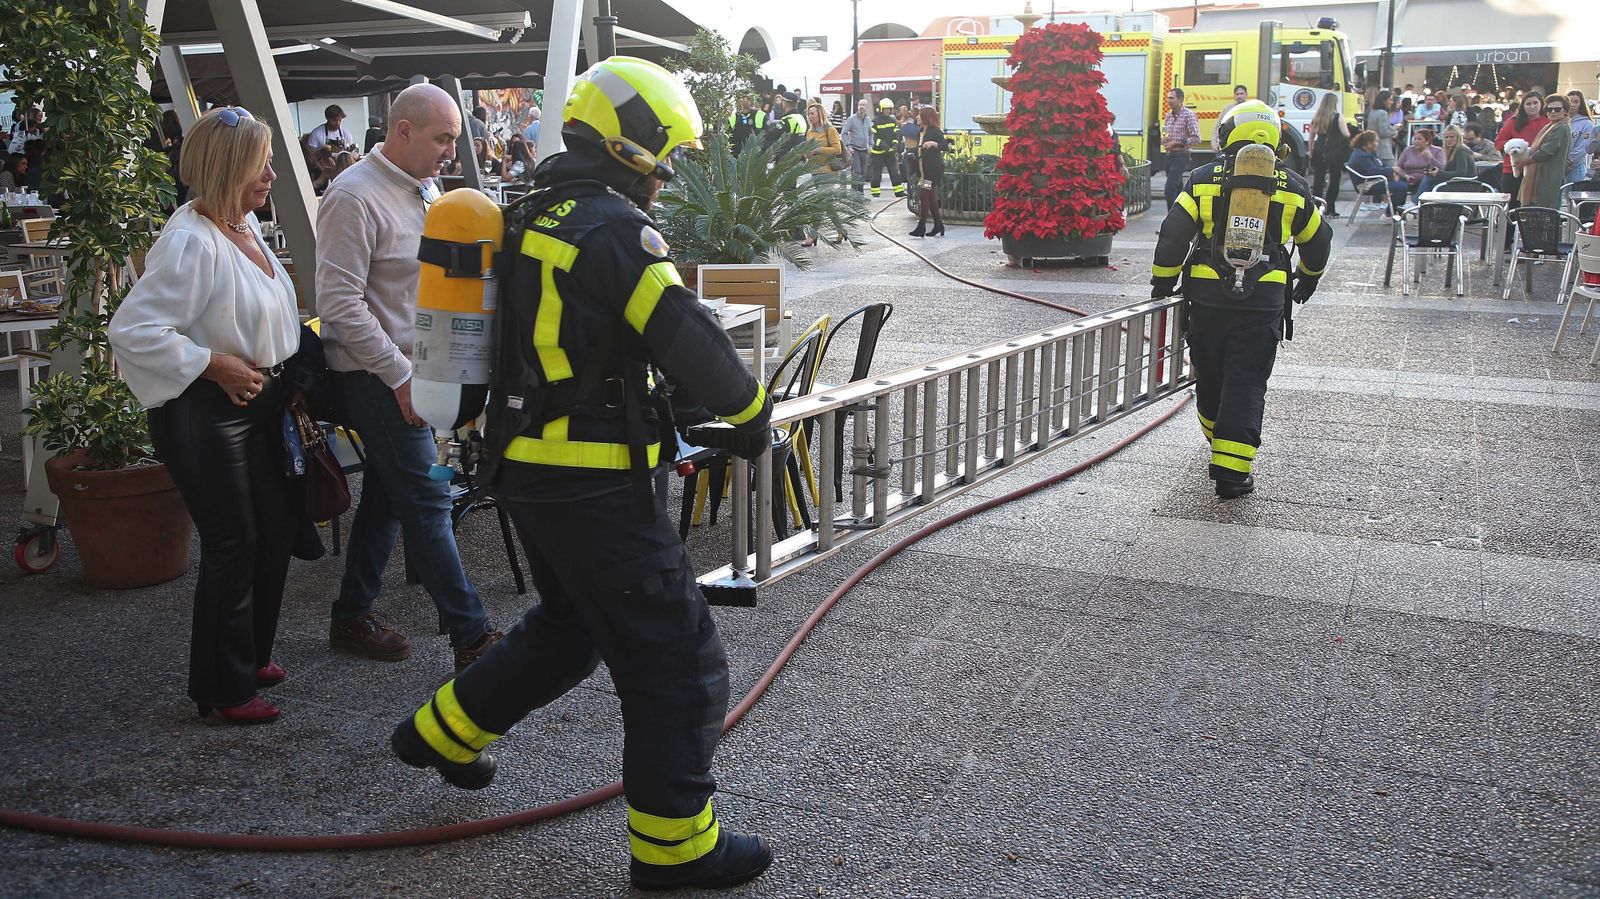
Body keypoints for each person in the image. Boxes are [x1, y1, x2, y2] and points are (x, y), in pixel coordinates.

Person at [388, 56, 774, 891]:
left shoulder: (526, 214)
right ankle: (676, 849)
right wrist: (750, 415)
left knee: (570, 629)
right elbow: (684, 333)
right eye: (664, 153)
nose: (668, 172)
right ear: (633, 145)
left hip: (527, 470)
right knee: (678, 660)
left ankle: (440, 733)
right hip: (593, 481)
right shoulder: (613, 231)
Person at [107, 107, 300, 725]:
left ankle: (248, 654)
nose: (271, 172)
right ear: (227, 168)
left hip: (254, 404)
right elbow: (132, 330)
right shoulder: (191, 239)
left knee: (272, 532)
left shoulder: (241, 227)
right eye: (259, 162)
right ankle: (223, 686)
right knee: (234, 542)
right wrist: (212, 363)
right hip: (206, 413)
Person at [314, 83, 501, 672]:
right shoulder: (352, 196)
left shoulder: (422, 186)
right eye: (444, 138)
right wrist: (401, 378)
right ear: (403, 131)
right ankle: (472, 636)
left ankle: (351, 615)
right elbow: (339, 306)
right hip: (375, 374)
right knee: (426, 498)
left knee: (390, 497)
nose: (452, 150)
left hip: (416, 369)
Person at [1150, 100, 1331, 498]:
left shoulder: (1201, 179)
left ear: (1230, 133)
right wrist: (1309, 276)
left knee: (1210, 374)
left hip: (1207, 298)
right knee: (1246, 381)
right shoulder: (1295, 186)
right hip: (1262, 301)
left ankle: (1221, 446)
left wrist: (1162, 281)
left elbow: (1173, 233)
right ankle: (1232, 471)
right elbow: (1318, 239)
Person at [1514, 93, 1571, 209]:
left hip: (1547, 178)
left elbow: (1546, 152)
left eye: (1557, 109)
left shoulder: (1562, 127)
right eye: (1550, 109)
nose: (1553, 112)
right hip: (1538, 176)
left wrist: (1525, 161)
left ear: (1565, 111)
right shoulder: (1550, 126)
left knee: (1543, 214)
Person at [1495, 92, 1548, 208]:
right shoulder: (1513, 121)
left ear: (1541, 104)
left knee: (1533, 206)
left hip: (1537, 170)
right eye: (1528, 104)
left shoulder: (1548, 122)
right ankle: (1508, 227)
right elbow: (1498, 142)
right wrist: (1513, 146)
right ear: (1523, 106)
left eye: (1535, 103)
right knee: (1510, 206)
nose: (1532, 106)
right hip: (1512, 170)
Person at [1308, 93, 1351, 218]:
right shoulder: (1338, 117)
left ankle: (1316, 206)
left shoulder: (1317, 117)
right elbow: (1346, 134)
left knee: (1318, 180)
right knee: (1334, 179)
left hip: (1318, 149)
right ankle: (1330, 208)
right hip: (1333, 151)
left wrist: (1311, 150)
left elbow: (1311, 136)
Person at [910, 105, 949, 238]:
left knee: (924, 196)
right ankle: (938, 225)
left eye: (920, 115)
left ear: (926, 117)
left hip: (934, 169)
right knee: (931, 198)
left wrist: (933, 143)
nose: (917, 117)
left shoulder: (935, 132)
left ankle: (921, 226)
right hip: (924, 170)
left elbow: (945, 146)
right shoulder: (921, 132)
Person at [1161, 87, 1201, 209]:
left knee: (1169, 190)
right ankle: (1181, 219)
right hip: (1169, 156)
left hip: (1181, 156)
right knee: (1178, 191)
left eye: (1172, 98)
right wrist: (1165, 140)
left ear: (1180, 99)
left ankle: (1171, 222)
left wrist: (1177, 143)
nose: (1169, 101)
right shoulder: (1168, 116)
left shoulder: (1188, 115)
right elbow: (1166, 133)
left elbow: (1196, 138)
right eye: (1168, 98)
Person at [1348, 129, 1408, 209]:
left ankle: (1395, 211)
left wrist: (1391, 171)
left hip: (1375, 180)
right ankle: (1392, 213)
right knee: (1402, 187)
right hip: (1366, 185)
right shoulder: (1361, 155)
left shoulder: (1369, 153)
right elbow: (1373, 171)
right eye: (1376, 142)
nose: (1378, 144)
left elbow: (1380, 166)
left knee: (1403, 183)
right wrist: (1392, 169)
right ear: (1369, 143)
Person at [865, 97, 904, 199]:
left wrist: (895, 144)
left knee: (895, 172)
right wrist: (881, 143)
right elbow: (873, 136)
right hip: (877, 153)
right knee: (877, 174)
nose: (888, 110)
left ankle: (899, 191)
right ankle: (875, 193)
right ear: (881, 109)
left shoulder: (892, 120)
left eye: (890, 109)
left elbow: (896, 134)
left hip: (890, 152)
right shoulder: (875, 122)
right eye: (886, 108)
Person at [1421, 125, 1476, 193]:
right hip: (1456, 182)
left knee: (1429, 180)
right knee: (1429, 178)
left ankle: (1416, 202)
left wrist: (1439, 173)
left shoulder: (1460, 150)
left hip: (1465, 184)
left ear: (1458, 137)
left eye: (1452, 137)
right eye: (1446, 137)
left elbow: (1461, 172)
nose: (1449, 139)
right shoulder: (1452, 150)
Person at [841, 98, 872, 194]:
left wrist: (871, 145)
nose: (861, 107)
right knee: (856, 171)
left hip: (864, 149)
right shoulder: (851, 119)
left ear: (866, 107)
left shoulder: (868, 119)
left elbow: (871, 133)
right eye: (860, 105)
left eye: (863, 105)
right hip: (854, 149)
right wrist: (848, 146)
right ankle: (854, 192)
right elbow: (844, 133)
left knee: (863, 172)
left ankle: (860, 192)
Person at [1566, 90, 1594, 184]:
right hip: (1557, 166)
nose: (1572, 105)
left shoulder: (1587, 124)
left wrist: (1569, 161)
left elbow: (1583, 147)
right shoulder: (1560, 122)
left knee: (1572, 196)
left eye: (1576, 102)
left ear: (1581, 104)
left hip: (1575, 168)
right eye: (1569, 101)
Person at [1366, 91, 1398, 165]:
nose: (1392, 102)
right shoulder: (1383, 113)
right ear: (1384, 100)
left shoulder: (1372, 112)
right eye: (1390, 99)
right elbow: (1384, 132)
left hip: (1373, 148)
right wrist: (1395, 129)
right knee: (1391, 171)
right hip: (1384, 150)